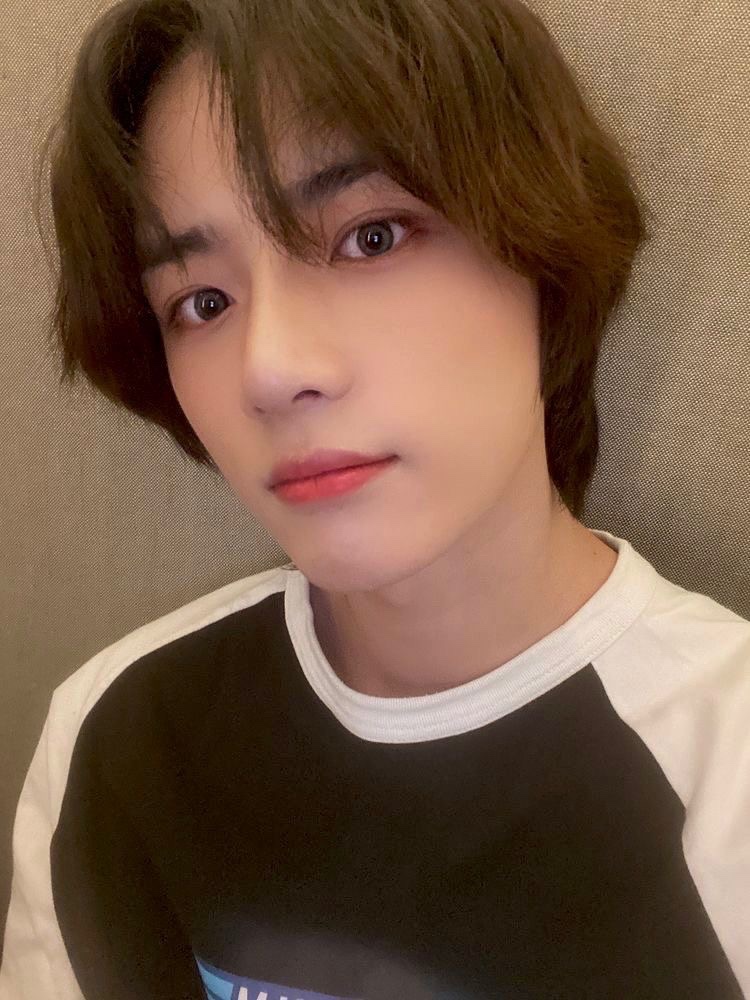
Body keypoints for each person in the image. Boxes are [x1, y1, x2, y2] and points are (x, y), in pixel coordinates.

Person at [1, 0, 748, 996]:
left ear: (543, 252)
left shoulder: (726, 769)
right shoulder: (114, 740)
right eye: (202, 301)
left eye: (373, 236)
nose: (271, 370)